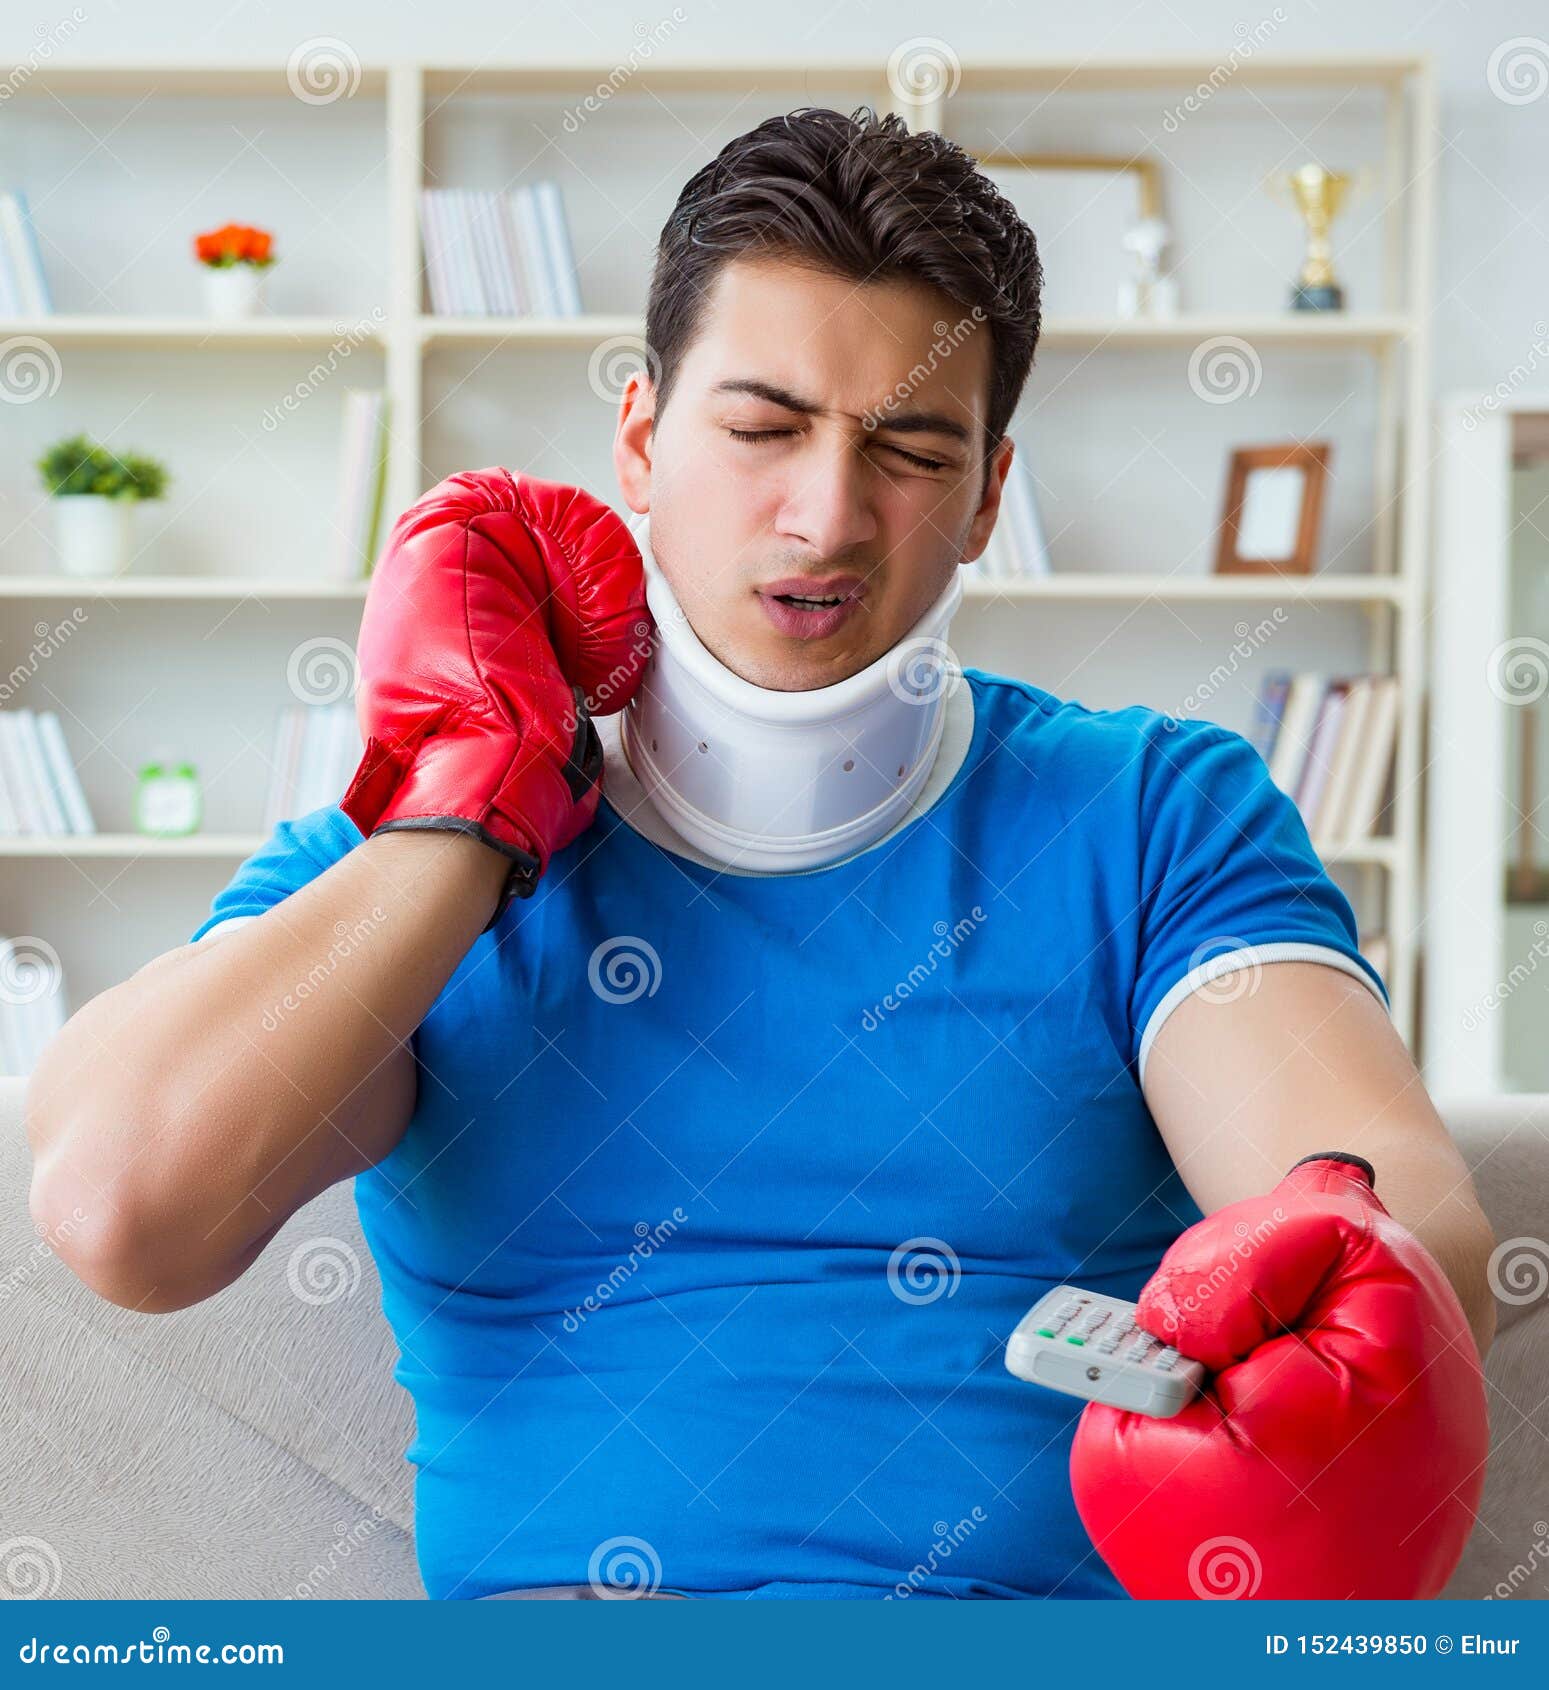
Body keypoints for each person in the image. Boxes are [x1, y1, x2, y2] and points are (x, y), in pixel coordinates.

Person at [27, 107, 1494, 1602]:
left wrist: (1342, 1288)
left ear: (988, 495)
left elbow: (1399, 1231)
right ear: (640, 438)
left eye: (911, 450)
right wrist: (471, 807)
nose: (828, 515)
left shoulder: (1150, 812)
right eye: (761, 428)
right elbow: (122, 1212)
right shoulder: (398, 864)